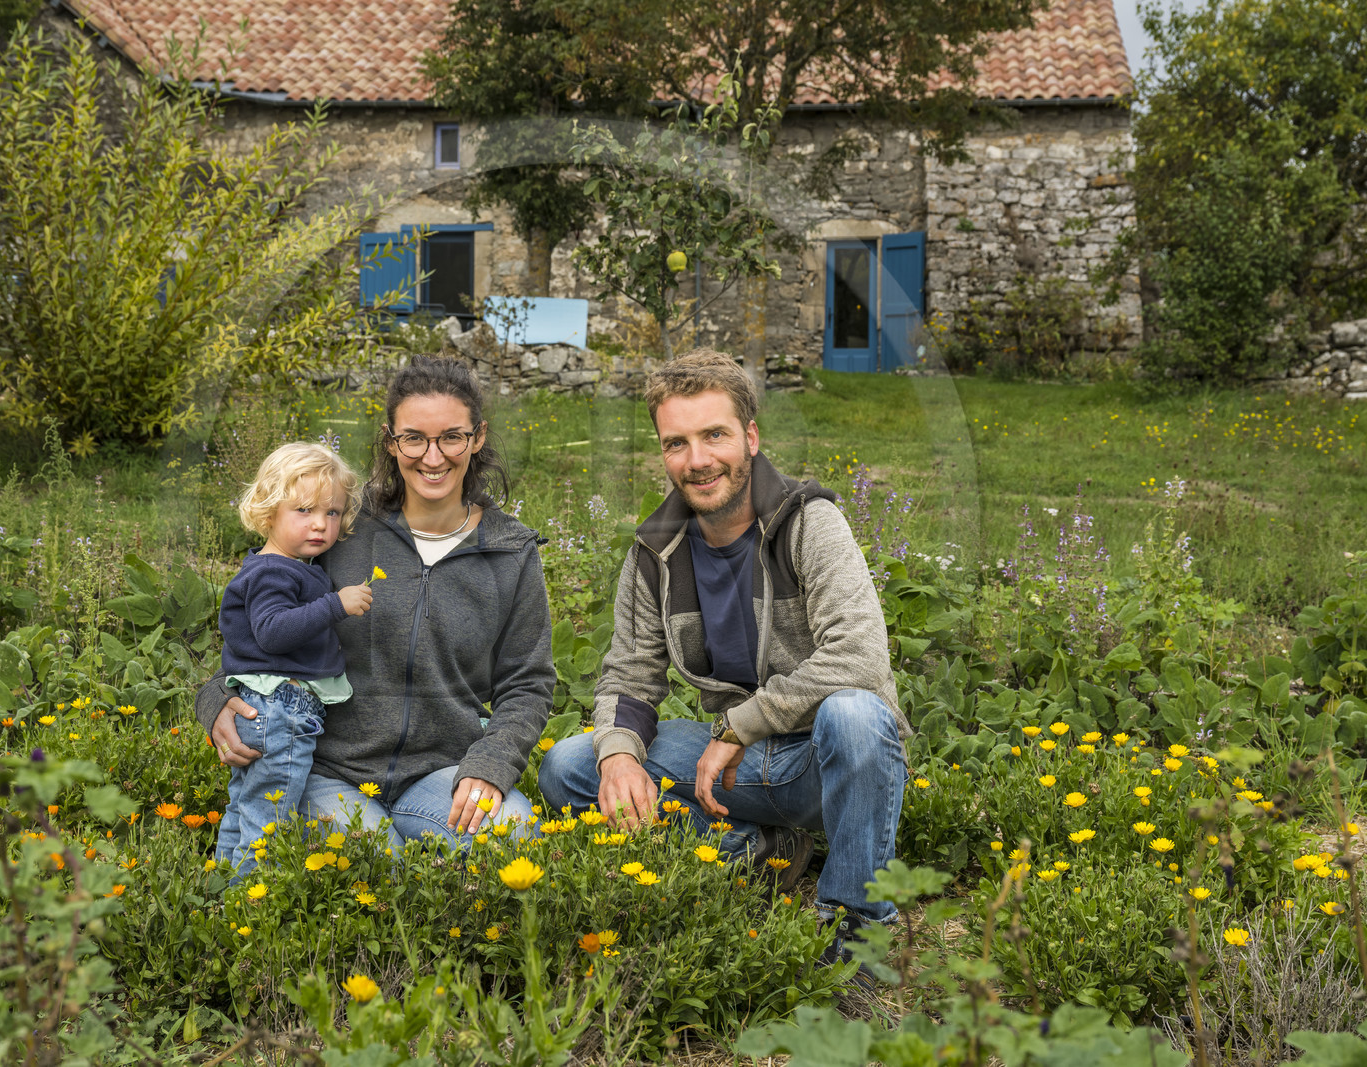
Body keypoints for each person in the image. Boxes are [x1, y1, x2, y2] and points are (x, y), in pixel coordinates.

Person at [537, 348, 908, 964]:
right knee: (570, 767)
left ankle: (858, 929)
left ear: (751, 437)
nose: (698, 460)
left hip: (826, 760)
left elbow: (861, 659)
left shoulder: (808, 523)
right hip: (737, 767)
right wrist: (620, 756)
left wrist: (740, 726)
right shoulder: (655, 551)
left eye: (715, 435)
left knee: (856, 714)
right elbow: (630, 672)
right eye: (676, 443)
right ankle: (753, 849)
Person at [196, 356, 554, 853]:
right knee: (374, 859)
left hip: (438, 773)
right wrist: (215, 698)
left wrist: (490, 765)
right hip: (327, 769)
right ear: (391, 440)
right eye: (414, 438)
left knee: (512, 829)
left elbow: (528, 683)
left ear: (477, 437)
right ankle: (383, 847)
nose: (433, 457)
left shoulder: (509, 551)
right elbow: (258, 618)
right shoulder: (340, 525)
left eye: (451, 436)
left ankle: (406, 839)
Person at [215, 442, 375, 876]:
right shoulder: (275, 571)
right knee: (268, 817)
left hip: (267, 708)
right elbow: (273, 632)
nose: (321, 525)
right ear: (268, 513)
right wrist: (335, 605)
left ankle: (217, 888)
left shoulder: (290, 565)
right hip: (281, 710)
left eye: (333, 513)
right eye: (304, 511)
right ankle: (248, 901)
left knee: (244, 806)